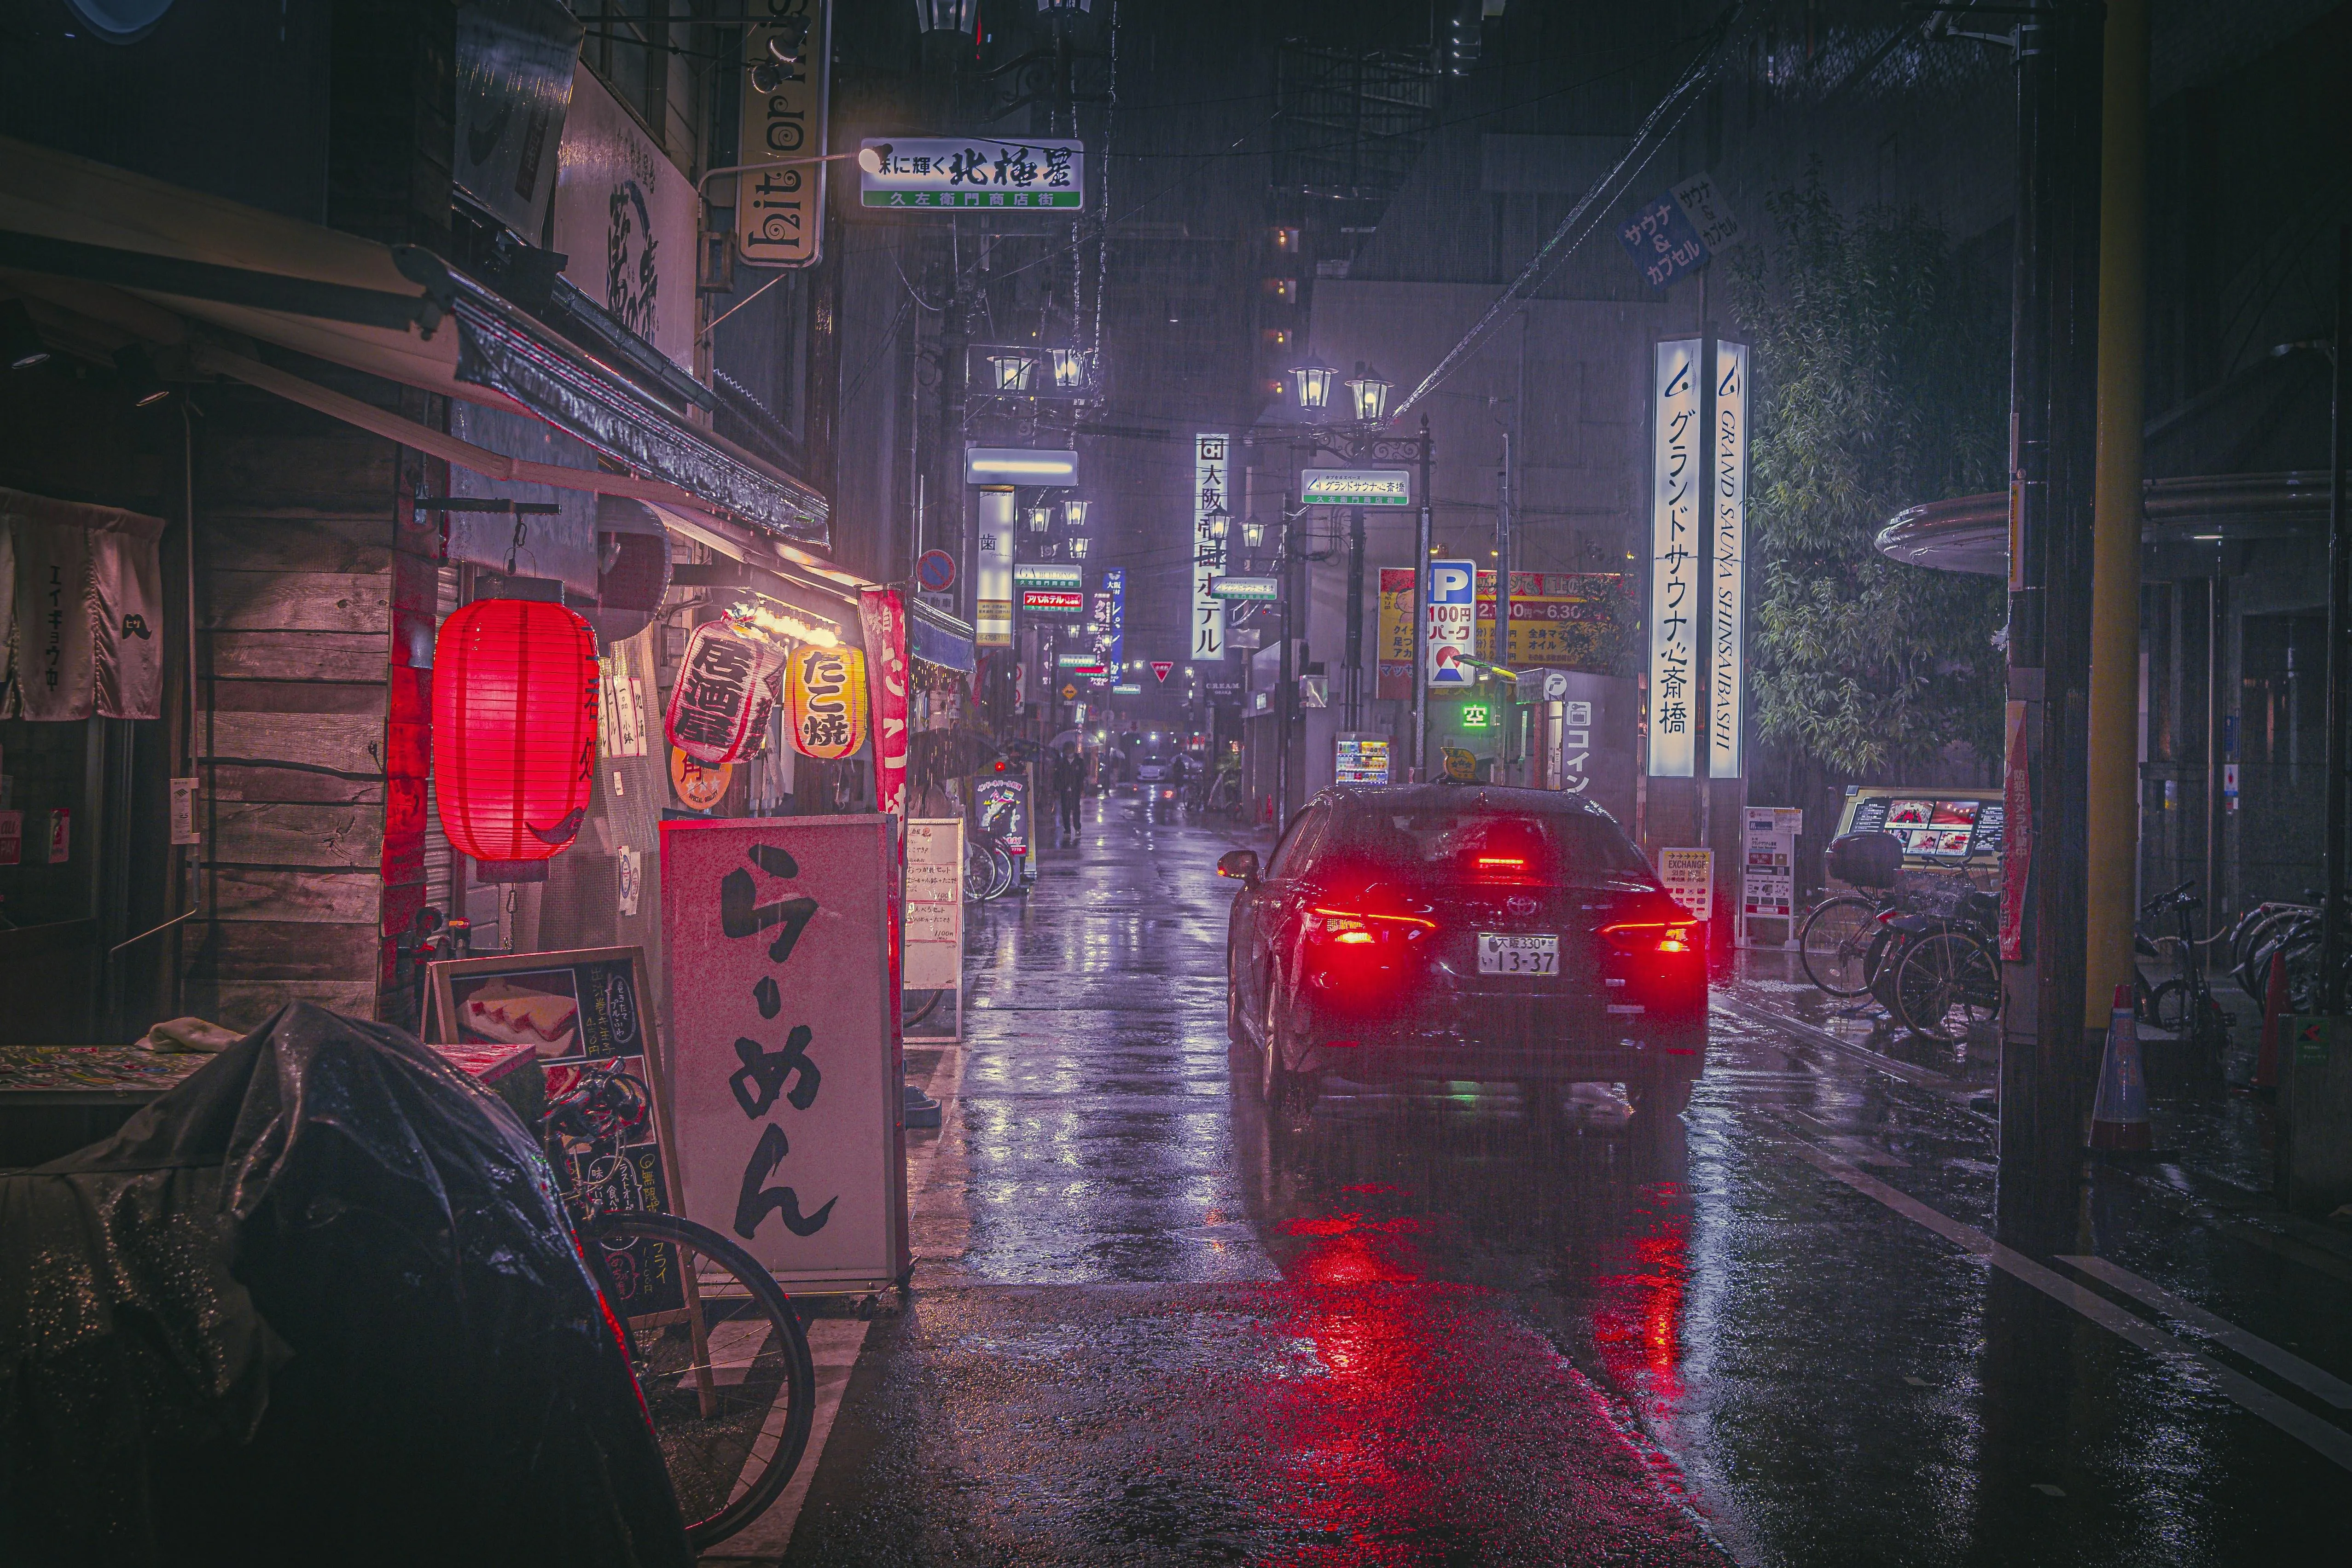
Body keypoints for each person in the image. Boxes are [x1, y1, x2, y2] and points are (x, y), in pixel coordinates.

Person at [1055, 744, 1084, 836]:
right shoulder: (1062, 763)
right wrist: (1058, 788)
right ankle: (1067, 829)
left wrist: (1081, 788)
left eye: (1070, 750)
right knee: (1065, 810)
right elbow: (1058, 777)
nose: (1069, 752)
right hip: (1065, 790)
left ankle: (1077, 828)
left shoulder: (1080, 762)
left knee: (1076, 809)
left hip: (1076, 790)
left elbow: (1083, 776)